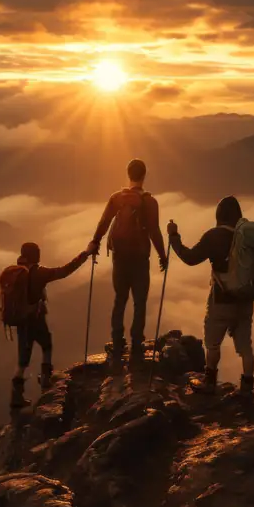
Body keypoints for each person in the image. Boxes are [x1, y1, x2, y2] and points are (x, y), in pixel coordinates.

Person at [167, 196, 254, 395]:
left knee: (213, 343)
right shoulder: (249, 238)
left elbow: (190, 258)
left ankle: (209, 381)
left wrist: (174, 237)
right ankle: (247, 388)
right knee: (245, 347)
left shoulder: (214, 236)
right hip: (245, 300)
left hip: (222, 300)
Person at [88, 158, 167, 371]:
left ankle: (117, 340)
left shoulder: (116, 198)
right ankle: (136, 344)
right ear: (144, 175)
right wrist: (163, 255)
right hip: (140, 258)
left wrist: (95, 242)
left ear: (128, 174)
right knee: (139, 301)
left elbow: (103, 222)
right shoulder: (149, 202)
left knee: (120, 299)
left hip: (120, 257)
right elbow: (154, 231)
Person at [9, 241, 90, 408]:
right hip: (36, 319)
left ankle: (16, 398)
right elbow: (65, 271)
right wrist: (85, 254)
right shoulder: (40, 273)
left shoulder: (16, 272)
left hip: (22, 323)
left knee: (22, 361)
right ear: (36, 255)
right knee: (46, 345)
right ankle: (45, 379)